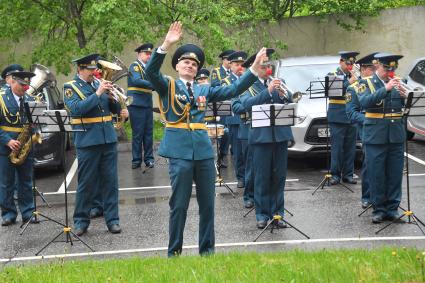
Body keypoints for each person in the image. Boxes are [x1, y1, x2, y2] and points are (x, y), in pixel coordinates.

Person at [145, 21, 265, 256]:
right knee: (178, 205)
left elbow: (233, 90)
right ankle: (174, 252)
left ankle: (207, 251)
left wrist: (253, 70)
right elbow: (150, 72)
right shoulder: (167, 85)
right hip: (179, 152)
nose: (190, 65)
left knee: (208, 206)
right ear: (177, 66)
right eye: (185, 62)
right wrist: (166, 44)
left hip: (202, 150)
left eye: (193, 63)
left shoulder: (204, 89)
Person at [64, 54, 128, 235]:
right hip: (88, 141)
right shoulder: (71, 87)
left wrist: (119, 107)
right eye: (90, 70)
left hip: (107, 138)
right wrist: (99, 92)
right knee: (86, 183)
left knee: (110, 182)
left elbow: (110, 109)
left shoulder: (99, 85)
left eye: (95, 69)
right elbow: (77, 110)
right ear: (80, 70)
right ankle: (81, 222)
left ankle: (113, 220)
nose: (95, 73)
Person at [240, 49, 293, 229]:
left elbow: (290, 102)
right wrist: (268, 92)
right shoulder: (247, 86)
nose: (268, 67)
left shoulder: (280, 82)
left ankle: (278, 214)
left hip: (280, 136)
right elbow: (245, 105)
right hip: (260, 137)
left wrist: (286, 96)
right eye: (264, 65)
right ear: (255, 67)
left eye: (269, 64)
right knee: (262, 177)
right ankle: (262, 214)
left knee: (279, 177)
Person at [358, 53, 405, 223]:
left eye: (393, 68)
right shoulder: (367, 82)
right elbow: (364, 103)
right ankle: (378, 208)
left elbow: (404, 108)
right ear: (377, 66)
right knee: (376, 173)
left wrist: (405, 96)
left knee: (394, 173)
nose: (390, 72)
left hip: (396, 135)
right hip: (375, 135)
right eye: (387, 68)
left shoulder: (400, 82)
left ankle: (393, 208)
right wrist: (385, 89)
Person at [0, 67, 36, 226]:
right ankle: (8, 213)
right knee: (6, 182)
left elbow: (35, 124)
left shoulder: (29, 99)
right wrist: (7, 140)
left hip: (25, 145)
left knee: (26, 181)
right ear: (12, 81)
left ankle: (28, 212)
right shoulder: (1, 98)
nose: (25, 88)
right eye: (22, 85)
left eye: (26, 85)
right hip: (6, 146)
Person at [345, 52, 378, 209]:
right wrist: (369, 119)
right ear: (364, 69)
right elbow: (351, 113)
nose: (374, 71)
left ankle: (383, 198)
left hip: (385, 129)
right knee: (369, 164)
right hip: (368, 130)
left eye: (375, 68)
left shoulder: (379, 84)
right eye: (372, 68)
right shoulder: (354, 88)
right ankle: (367, 196)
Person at [328, 51, 359, 185]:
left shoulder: (355, 75)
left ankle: (348, 174)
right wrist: (349, 82)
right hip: (338, 115)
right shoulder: (332, 75)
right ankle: (335, 175)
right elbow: (333, 94)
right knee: (337, 148)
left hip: (351, 115)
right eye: (348, 63)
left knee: (350, 147)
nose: (350, 66)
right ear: (341, 62)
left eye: (352, 63)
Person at [221, 51, 248, 188]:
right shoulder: (225, 82)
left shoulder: (249, 79)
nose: (239, 67)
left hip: (248, 120)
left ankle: (250, 176)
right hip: (234, 120)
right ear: (230, 65)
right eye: (236, 64)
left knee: (248, 151)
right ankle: (241, 177)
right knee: (238, 152)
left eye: (242, 64)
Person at [127, 43, 155, 169]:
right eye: (146, 53)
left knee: (148, 133)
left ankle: (149, 159)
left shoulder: (148, 68)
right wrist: (154, 84)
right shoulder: (135, 66)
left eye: (150, 54)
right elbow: (137, 81)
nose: (149, 56)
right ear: (139, 54)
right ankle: (136, 159)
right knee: (138, 134)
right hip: (137, 104)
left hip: (147, 104)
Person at [211, 50, 234, 167]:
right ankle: (220, 156)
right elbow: (214, 85)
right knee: (222, 131)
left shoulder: (234, 71)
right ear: (223, 60)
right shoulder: (216, 71)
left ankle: (225, 155)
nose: (230, 61)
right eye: (228, 59)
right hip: (222, 105)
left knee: (230, 131)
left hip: (233, 104)